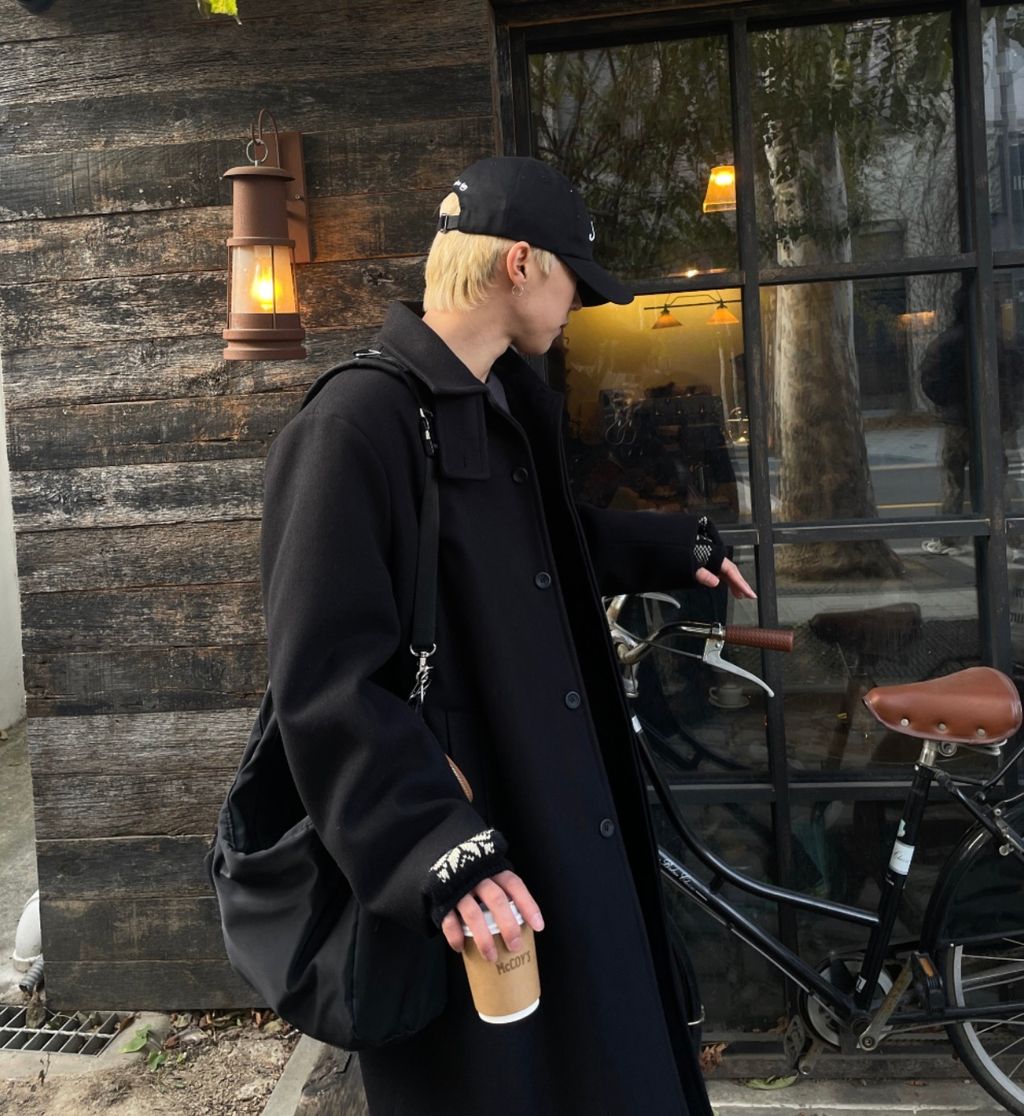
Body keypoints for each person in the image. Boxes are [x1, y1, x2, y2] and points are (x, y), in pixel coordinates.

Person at [260, 155, 755, 1116]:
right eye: (577, 280)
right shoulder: (354, 424)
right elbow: (322, 683)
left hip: (557, 811)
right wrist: (438, 851)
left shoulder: (502, 400)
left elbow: (533, 555)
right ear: (520, 264)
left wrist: (670, 548)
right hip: (475, 847)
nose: (584, 306)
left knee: (607, 1060)